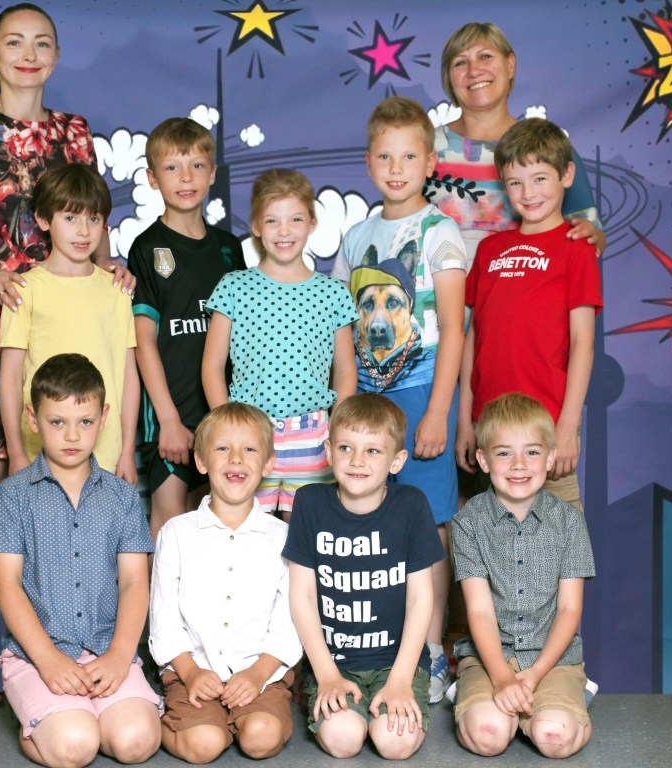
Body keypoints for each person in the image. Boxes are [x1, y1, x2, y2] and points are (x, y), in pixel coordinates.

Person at [0, 3, 132, 707]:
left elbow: (90, 212)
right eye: (14, 42)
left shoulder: (73, 133)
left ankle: (70, 646)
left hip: (68, 312)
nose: (28, 54)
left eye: (41, 43)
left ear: (56, 56)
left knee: (76, 479)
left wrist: (110, 266)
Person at [331, 96, 466, 704]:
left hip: (421, 391)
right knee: (369, 515)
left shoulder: (440, 232)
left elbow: (455, 328)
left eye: (409, 157)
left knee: (429, 521)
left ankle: (432, 650)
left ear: (430, 163)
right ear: (368, 161)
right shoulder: (357, 235)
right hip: (365, 394)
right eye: (385, 157)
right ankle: (381, 647)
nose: (396, 168)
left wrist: (437, 411)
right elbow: (340, 325)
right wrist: (342, 402)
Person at [0, 353, 162, 768]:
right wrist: (47, 659)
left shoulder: (122, 497)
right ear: (33, 419)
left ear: (104, 418)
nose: (71, 435)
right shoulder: (13, 496)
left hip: (106, 650)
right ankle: (38, 717)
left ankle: (84, 712)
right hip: (38, 653)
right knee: (75, 745)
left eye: (84, 421)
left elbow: (135, 582)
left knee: (136, 742)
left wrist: (119, 655)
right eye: (57, 421)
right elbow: (6, 584)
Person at [284, 393, 444, 760]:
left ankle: (391, 699)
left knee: (394, 742)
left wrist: (401, 680)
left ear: (396, 460)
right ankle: (334, 698)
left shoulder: (412, 505)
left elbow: (421, 599)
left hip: (397, 663)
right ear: (329, 451)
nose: (357, 460)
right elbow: (302, 597)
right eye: (346, 447)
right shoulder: (309, 503)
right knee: (343, 739)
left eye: (373, 451)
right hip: (334, 663)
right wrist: (326, 675)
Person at [456, 118, 602, 510]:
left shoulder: (577, 248)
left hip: (546, 425)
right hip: (488, 427)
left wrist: (568, 426)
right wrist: (465, 422)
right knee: (489, 541)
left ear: (566, 175)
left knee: (560, 540)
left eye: (540, 179)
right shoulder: (489, 249)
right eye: (516, 183)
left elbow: (583, 342)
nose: (529, 193)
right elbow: (474, 338)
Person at [149, 402, 303, 763]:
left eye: (249, 449)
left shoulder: (283, 538)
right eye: (222, 448)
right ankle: (164, 722)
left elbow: (289, 621)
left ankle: (239, 720)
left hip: (260, 672)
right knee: (204, 745)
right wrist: (189, 672)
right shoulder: (176, 533)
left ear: (267, 464)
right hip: (193, 669)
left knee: (261, 738)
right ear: (201, 461)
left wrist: (258, 674)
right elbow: (164, 617)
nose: (236, 458)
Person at [202, 168, 357, 518]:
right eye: (272, 220)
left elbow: (346, 369)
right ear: (256, 226)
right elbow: (212, 365)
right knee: (246, 528)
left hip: (314, 436)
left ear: (312, 223)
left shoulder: (333, 293)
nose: (284, 231)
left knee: (304, 533)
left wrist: (338, 428)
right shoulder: (234, 287)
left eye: (295, 219)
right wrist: (227, 427)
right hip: (249, 434)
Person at [451, 393, 595, 759]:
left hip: (552, 657)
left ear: (550, 458)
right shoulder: (467, 523)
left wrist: (534, 674)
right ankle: (480, 696)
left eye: (532, 452)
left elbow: (569, 610)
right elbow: (480, 611)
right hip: (490, 655)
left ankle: (560, 702)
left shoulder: (570, 521)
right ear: (484, 460)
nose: (518, 465)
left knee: (554, 738)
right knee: (488, 736)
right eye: (504, 453)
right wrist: (502, 678)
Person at [130, 118, 245, 543]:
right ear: (152, 178)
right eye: (172, 168)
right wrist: (168, 420)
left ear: (212, 173)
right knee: (169, 526)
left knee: (217, 528)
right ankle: (158, 598)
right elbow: (143, 342)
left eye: (197, 166)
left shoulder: (229, 248)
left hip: (222, 413)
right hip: (172, 415)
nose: (186, 178)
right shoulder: (147, 248)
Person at [423, 21, 605, 269]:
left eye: (485, 56)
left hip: (520, 293)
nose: (474, 70)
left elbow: (590, 232)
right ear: (448, 77)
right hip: (435, 293)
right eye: (460, 62)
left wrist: (591, 235)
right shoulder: (422, 149)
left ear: (510, 65)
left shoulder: (546, 147)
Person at [0, 163, 138, 483]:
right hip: (40, 454)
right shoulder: (24, 290)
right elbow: (10, 379)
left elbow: (128, 377)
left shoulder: (116, 290)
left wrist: (127, 450)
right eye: (71, 218)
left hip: (106, 453)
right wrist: (16, 453)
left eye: (94, 218)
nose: (84, 231)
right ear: (44, 220)